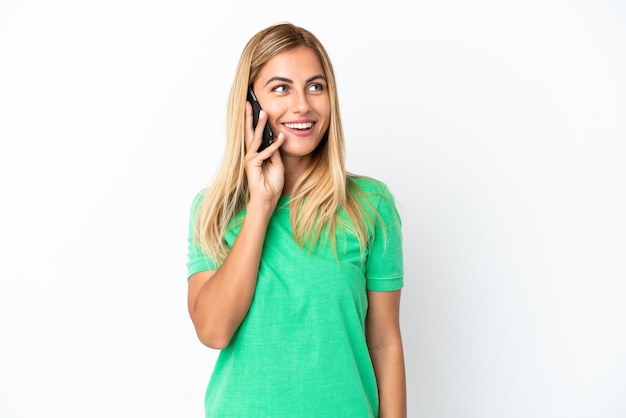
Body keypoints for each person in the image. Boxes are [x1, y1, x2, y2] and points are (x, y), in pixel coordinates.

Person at [186, 22, 406, 417]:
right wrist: (260, 206)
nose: (302, 104)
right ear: (250, 104)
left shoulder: (370, 205)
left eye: (315, 86)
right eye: (281, 88)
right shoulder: (214, 210)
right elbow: (214, 330)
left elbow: (384, 342)